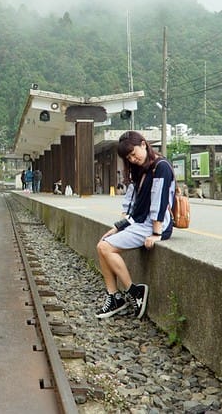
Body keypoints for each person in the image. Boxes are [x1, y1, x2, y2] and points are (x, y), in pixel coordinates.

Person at [95, 131, 176, 320]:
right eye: (128, 157)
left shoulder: (161, 167)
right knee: (103, 244)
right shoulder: (140, 168)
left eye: (134, 153)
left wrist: (157, 233)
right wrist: (118, 227)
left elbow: (160, 201)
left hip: (156, 224)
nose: (133, 158)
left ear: (143, 144)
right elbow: (133, 205)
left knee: (105, 247)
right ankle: (114, 296)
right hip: (140, 223)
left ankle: (134, 291)